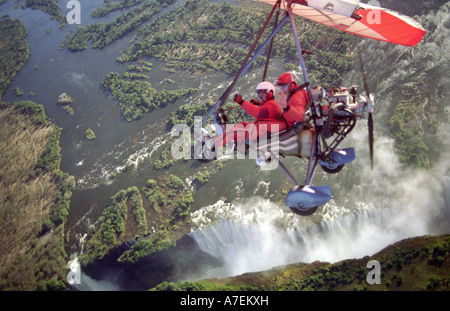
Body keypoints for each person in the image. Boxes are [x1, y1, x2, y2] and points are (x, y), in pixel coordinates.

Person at [213, 81, 285, 150]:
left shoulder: (273, 106)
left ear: (270, 93)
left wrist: (241, 102)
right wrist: (258, 104)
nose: (260, 96)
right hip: (259, 131)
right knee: (242, 124)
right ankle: (235, 142)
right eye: (259, 94)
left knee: (232, 132)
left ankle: (214, 144)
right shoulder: (273, 104)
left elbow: (257, 112)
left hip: (257, 135)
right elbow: (266, 110)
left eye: (262, 94)